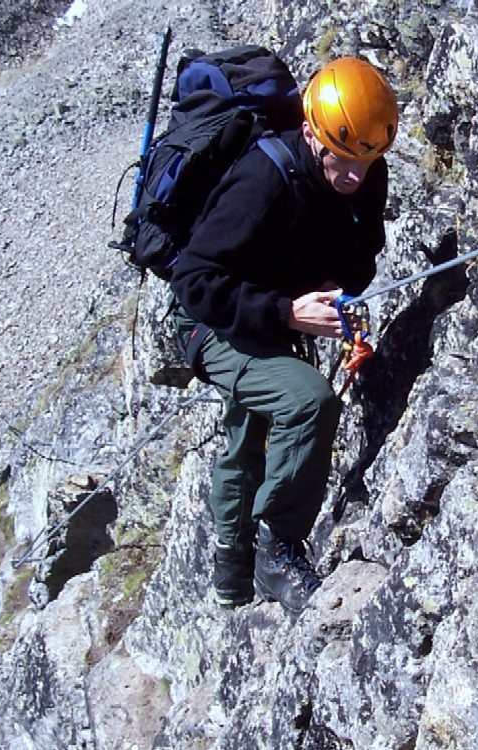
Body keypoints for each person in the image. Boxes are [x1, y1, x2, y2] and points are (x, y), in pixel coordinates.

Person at [170, 57, 398, 615]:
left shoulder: (366, 169)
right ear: (314, 135)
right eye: (343, 160)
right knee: (305, 400)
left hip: (270, 309)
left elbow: (362, 253)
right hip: (209, 320)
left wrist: (332, 289)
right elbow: (193, 279)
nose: (355, 176)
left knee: (250, 423)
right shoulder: (263, 180)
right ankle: (277, 551)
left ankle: (233, 579)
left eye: (367, 162)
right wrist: (288, 313)